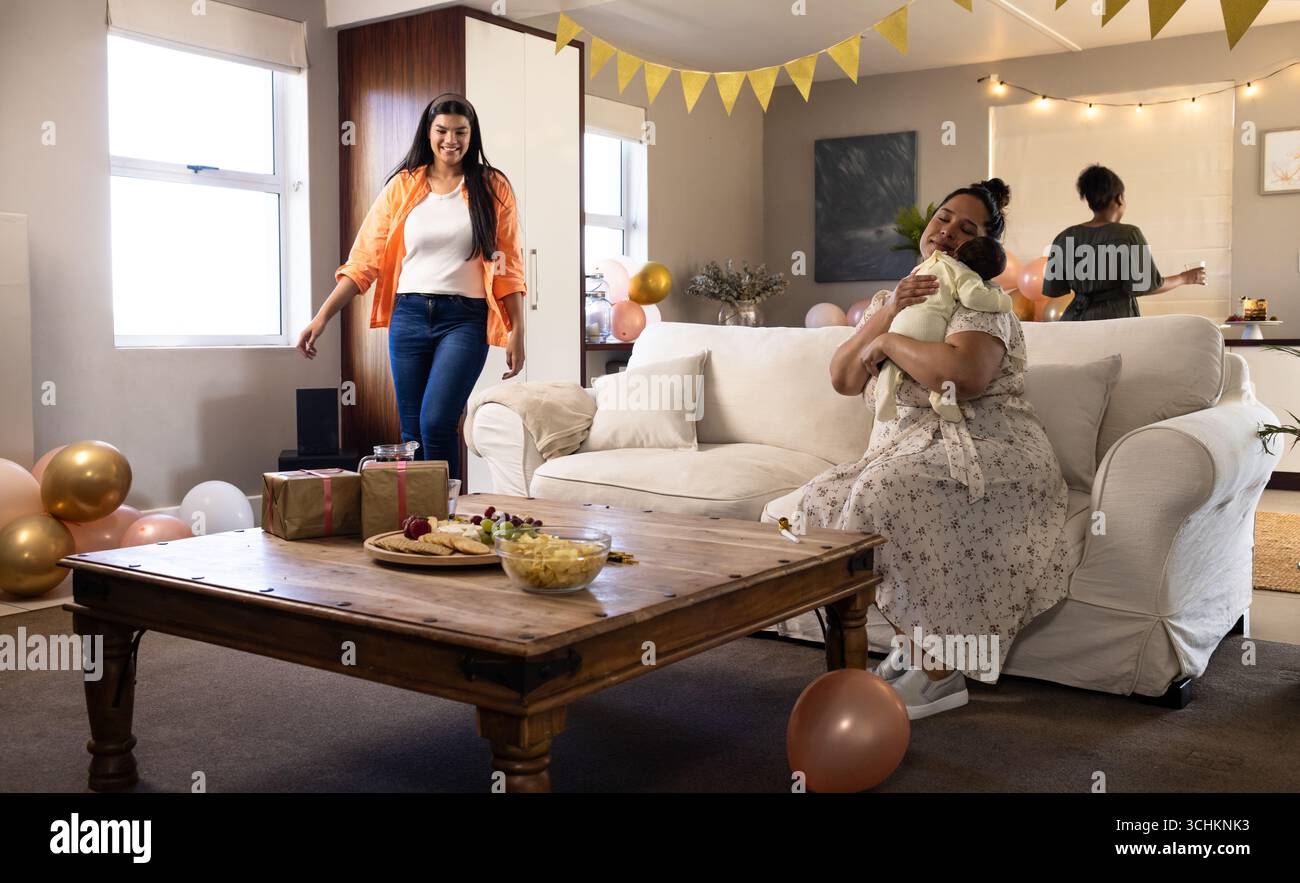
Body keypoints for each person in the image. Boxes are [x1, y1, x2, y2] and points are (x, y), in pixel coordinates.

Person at [800, 178, 1070, 720]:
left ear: (981, 246)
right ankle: (914, 646)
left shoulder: (982, 297)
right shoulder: (889, 299)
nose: (948, 232)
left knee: (885, 492)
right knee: (819, 501)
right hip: (908, 446)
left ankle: (942, 672)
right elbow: (843, 377)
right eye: (943, 218)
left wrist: (889, 343)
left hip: (991, 445)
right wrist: (888, 314)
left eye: (967, 228)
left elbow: (963, 376)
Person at [296, 94, 526, 477]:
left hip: (464, 320)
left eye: (460, 132)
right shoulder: (403, 187)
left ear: (472, 136)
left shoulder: (492, 186)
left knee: (437, 422)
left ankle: (446, 516)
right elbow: (363, 262)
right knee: (413, 431)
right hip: (410, 316)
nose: (450, 140)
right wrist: (321, 318)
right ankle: (419, 521)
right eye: (442, 131)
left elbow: (509, 265)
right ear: (428, 133)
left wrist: (518, 329)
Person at [1043, 164, 1207, 320]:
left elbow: (1053, 290)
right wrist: (1185, 278)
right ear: (1119, 198)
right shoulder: (1129, 235)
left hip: (1075, 323)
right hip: (1116, 321)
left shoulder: (1064, 238)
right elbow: (1148, 285)